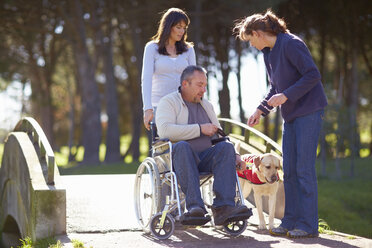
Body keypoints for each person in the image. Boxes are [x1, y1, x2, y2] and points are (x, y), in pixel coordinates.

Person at [234, 10, 327, 238]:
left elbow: (312, 75)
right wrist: (260, 109)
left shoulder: (292, 44)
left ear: (258, 33)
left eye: (251, 40)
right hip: (291, 116)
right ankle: (290, 220)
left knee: (304, 170)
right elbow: (275, 88)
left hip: (309, 112)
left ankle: (307, 225)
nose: (252, 46)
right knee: (290, 171)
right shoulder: (269, 52)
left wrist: (286, 96)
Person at [156, 65, 251, 225]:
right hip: (179, 160)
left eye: (205, 85)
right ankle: (195, 208)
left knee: (226, 148)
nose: (204, 90)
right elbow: (165, 131)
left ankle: (224, 208)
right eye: (200, 85)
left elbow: (221, 135)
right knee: (182, 146)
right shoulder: (168, 102)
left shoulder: (207, 105)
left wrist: (235, 155)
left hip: (205, 158)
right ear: (185, 84)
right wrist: (200, 129)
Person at [141, 7, 196, 130]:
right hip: (159, 107)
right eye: (178, 27)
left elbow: (195, 80)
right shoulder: (151, 48)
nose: (182, 31)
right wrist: (147, 109)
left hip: (184, 107)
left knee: (184, 147)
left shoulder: (189, 50)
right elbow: (146, 79)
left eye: (184, 28)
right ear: (168, 26)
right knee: (163, 147)